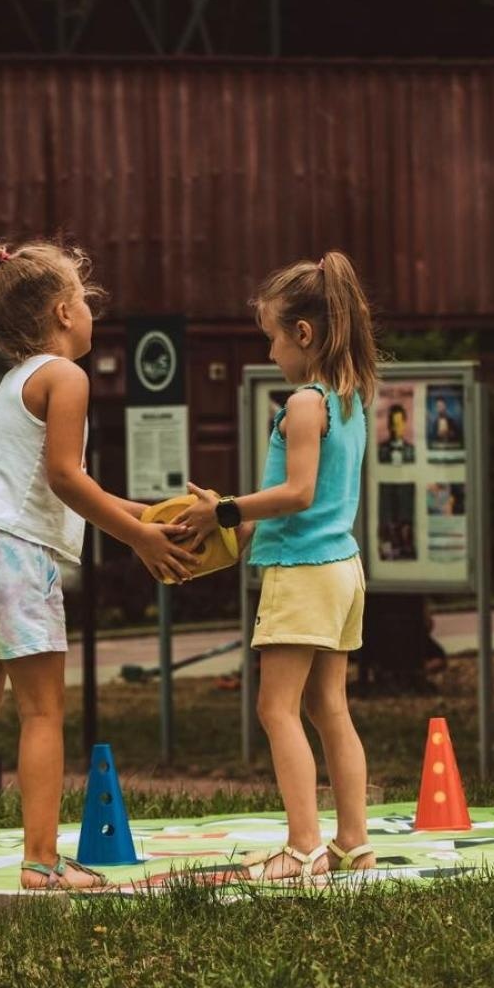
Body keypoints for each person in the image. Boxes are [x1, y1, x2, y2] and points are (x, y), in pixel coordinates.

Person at [0, 239, 196, 891]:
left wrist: (146, 513)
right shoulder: (68, 376)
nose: (90, 312)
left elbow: (56, 477)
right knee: (43, 711)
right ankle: (43, 861)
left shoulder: (16, 381)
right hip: (11, 553)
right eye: (84, 301)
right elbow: (63, 477)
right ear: (61, 310)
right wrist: (138, 537)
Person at [176, 250, 379, 882]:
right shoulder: (350, 400)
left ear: (304, 334)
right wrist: (228, 517)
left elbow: (297, 493)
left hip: (304, 571)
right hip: (343, 569)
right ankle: (353, 841)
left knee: (276, 708)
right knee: (330, 707)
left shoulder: (303, 404)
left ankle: (302, 846)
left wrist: (227, 511)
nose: (269, 353)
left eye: (271, 339)